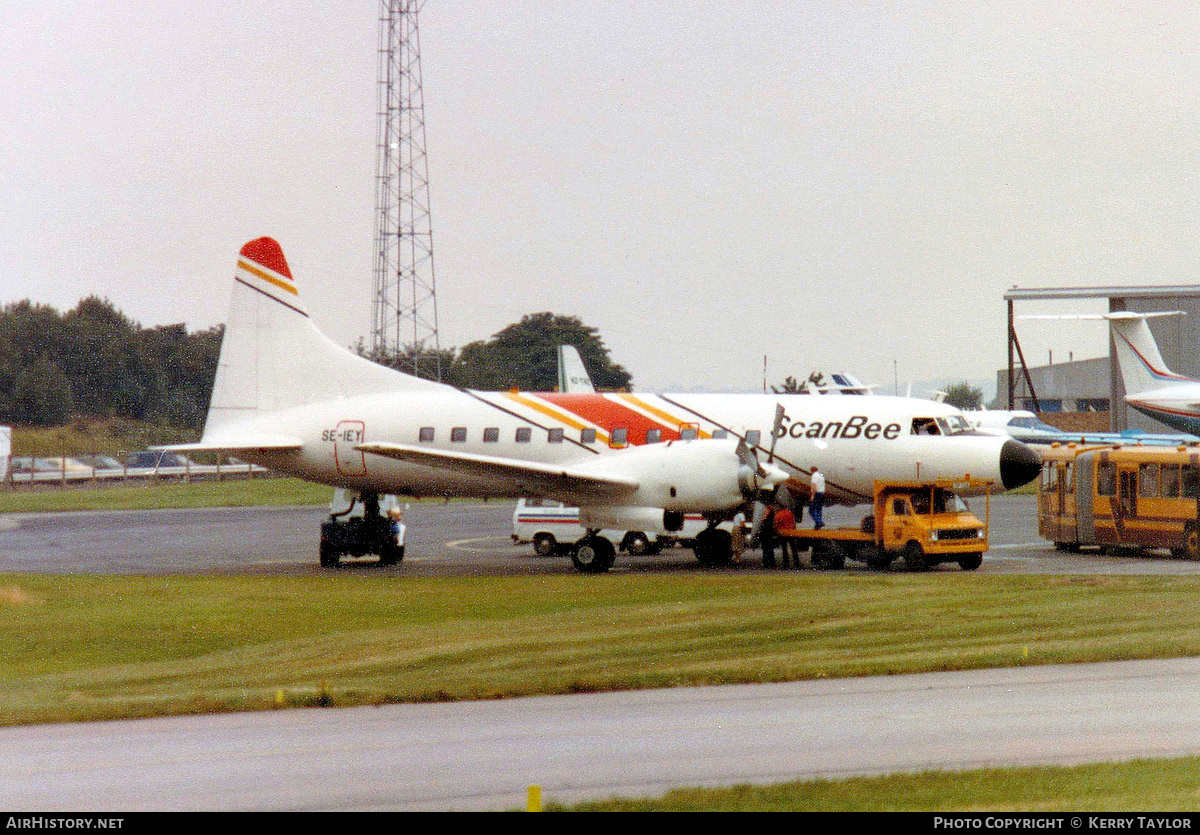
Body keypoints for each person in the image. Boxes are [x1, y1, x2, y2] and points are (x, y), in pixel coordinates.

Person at [773, 503, 797, 568]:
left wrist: (776, 533)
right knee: (793, 548)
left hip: (783, 533)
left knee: (784, 548)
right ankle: (796, 563)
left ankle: (786, 564)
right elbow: (793, 522)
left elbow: (776, 525)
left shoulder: (778, 515)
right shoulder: (789, 513)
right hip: (791, 532)